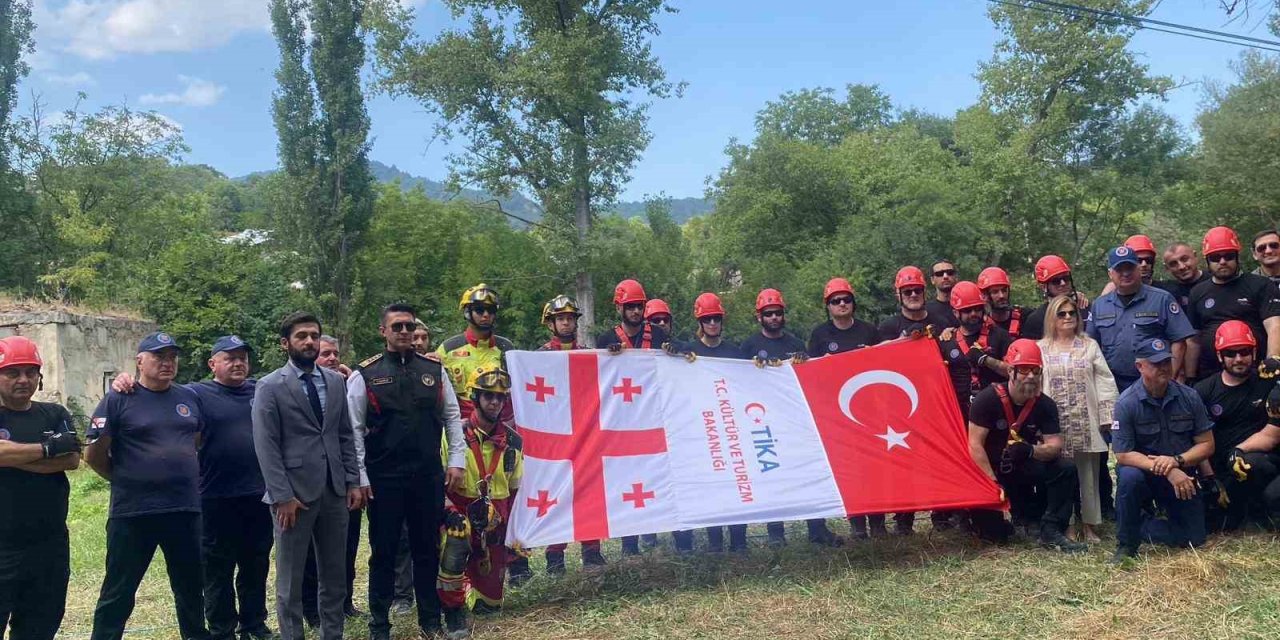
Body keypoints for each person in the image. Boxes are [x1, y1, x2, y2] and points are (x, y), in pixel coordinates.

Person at [110, 335, 276, 640]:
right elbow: (157, 392)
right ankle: (222, 629)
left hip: (257, 493)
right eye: (230, 358)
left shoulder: (261, 389)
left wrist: (339, 372)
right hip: (214, 496)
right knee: (217, 568)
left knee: (256, 563)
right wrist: (123, 379)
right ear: (213, 363)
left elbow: (291, 387)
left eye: (242, 358)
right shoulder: (195, 393)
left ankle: (254, 623)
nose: (238, 363)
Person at [348, 303, 466, 640]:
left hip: (427, 476)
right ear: (382, 331)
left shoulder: (434, 370)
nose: (404, 332)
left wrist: (456, 460)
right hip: (383, 478)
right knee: (384, 552)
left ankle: (430, 621)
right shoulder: (365, 374)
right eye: (397, 326)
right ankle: (379, 625)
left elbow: (452, 417)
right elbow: (353, 429)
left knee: (427, 549)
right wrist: (360, 477)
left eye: (409, 326)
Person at [85, 331, 211, 640]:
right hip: (133, 512)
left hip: (183, 509)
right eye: (159, 356)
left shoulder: (188, 397)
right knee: (119, 590)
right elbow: (94, 455)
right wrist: (126, 478)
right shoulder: (118, 398)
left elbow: (195, 439)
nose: (167, 363)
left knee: (191, 587)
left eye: (172, 357)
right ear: (140, 361)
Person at [252, 312, 365, 640]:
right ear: (285, 343)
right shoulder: (270, 386)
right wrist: (281, 496)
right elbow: (266, 445)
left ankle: (333, 634)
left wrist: (352, 481)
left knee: (335, 576)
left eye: (314, 335)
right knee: (290, 580)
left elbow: (344, 435)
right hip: (293, 497)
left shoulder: (335, 382)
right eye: (301, 336)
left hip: (334, 491)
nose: (309, 341)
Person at [741, 288, 840, 546]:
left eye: (777, 313)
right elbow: (737, 381)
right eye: (768, 314)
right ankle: (776, 534)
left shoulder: (795, 344)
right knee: (773, 476)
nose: (774, 317)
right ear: (759, 317)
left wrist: (804, 362)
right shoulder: (749, 346)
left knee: (807, 473)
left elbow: (809, 378)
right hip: (763, 423)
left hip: (794, 420)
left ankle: (817, 529)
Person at [966, 339, 1086, 552]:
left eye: (1035, 370)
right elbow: (975, 445)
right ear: (1010, 371)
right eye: (1023, 370)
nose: (1030, 376)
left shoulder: (1045, 404)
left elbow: (1055, 446)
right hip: (990, 470)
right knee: (994, 537)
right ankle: (1001, 521)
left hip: (1022, 464)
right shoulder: (986, 400)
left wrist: (1031, 450)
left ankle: (1051, 528)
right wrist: (993, 484)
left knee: (1065, 468)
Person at [0, 336, 81, 640]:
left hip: (49, 546)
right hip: (2, 546)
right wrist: (48, 449)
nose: (23, 379)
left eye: (30, 372)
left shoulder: (55, 414)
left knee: (39, 628)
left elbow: (72, 459)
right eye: (13, 373)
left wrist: (12, 456)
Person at [1110, 338, 1215, 563]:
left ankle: (1142, 524)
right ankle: (1126, 544)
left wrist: (1176, 461)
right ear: (1140, 367)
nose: (1164, 368)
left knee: (1194, 538)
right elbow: (1123, 454)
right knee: (1129, 476)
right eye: (1156, 363)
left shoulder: (1189, 396)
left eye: (1167, 361)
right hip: (1144, 475)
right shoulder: (1126, 403)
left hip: (1182, 474)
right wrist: (1168, 469)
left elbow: (1207, 444)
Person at [438, 367, 523, 640]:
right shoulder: (454, 434)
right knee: (456, 537)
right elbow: (435, 480)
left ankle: (474, 587)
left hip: (494, 519)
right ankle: (452, 609)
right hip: (458, 512)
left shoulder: (513, 440)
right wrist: (448, 512)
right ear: (475, 397)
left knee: (490, 606)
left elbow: (515, 490)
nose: (495, 402)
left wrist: (513, 533)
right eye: (488, 396)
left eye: (500, 397)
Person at [597, 279, 671, 555]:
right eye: (630, 306)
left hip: (654, 417)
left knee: (653, 476)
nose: (636, 311)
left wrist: (674, 352)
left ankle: (653, 532)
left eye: (639, 306)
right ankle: (629, 543)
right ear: (619, 308)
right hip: (623, 421)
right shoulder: (606, 339)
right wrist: (608, 355)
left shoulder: (659, 335)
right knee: (628, 479)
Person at [807, 278, 885, 539]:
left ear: (853, 302)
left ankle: (878, 521)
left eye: (846, 299)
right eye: (835, 301)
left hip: (868, 411)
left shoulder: (869, 331)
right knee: (851, 470)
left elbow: (886, 361)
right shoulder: (819, 335)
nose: (842, 304)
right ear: (828, 306)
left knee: (873, 468)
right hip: (836, 414)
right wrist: (823, 363)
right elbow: (809, 372)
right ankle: (857, 522)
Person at [536, 295, 608, 572]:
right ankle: (555, 556)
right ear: (550, 323)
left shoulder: (589, 354)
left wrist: (614, 357)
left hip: (585, 432)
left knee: (590, 490)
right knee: (557, 493)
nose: (566, 323)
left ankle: (592, 551)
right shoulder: (539, 357)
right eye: (561, 318)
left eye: (570, 318)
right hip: (555, 436)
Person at [1038, 296, 1118, 544]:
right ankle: (1067, 524)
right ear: (1052, 317)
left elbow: (1104, 380)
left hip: (1085, 420)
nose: (1068, 317)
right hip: (1055, 424)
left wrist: (1107, 415)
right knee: (1062, 475)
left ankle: (1089, 525)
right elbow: (1035, 384)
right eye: (1061, 313)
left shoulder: (1089, 345)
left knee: (1089, 476)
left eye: (1072, 313)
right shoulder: (1041, 348)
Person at [683, 292, 752, 551]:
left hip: (732, 428)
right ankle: (714, 542)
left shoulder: (734, 352)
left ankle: (739, 540)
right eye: (707, 319)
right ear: (699, 322)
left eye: (716, 318)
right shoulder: (689, 352)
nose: (712, 323)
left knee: (738, 483)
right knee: (713, 486)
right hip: (705, 429)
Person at [302, 334, 363, 626]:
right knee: (311, 554)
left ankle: (344, 602)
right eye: (325, 354)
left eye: (335, 353)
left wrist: (355, 479)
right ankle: (312, 610)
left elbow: (352, 436)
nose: (332, 358)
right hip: (310, 481)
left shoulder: (347, 386)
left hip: (344, 480)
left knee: (347, 547)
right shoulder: (299, 388)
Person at [1193, 320, 1275, 531]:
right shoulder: (1203, 390)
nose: (1238, 358)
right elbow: (1196, 438)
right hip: (1220, 470)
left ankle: (1260, 510)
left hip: (1260, 461)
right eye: (1230, 353)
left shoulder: (1267, 382)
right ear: (1220, 356)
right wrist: (1210, 479)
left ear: (1254, 352)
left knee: (1252, 464)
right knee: (1214, 524)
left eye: (1244, 351)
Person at [1087, 246, 1195, 392]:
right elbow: (1091, 346)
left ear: (1138, 269)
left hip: (1154, 382)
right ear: (1110, 273)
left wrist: (1168, 379)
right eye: (1119, 269)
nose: (1126, 273)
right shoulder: (1099, 305)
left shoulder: (1162, 299)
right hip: (1112, 384)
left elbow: (1179, 342)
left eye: (1130, 268)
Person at [1187, 226, 1280, 383]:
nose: (1222, 262)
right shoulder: (1197, 292)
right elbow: (1193, 340)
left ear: (1237, 256)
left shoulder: (1260, 285)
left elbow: (1274, 325)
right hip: (1211, 376)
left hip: (1255, 374)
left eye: (1228, 256)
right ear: (1207, 260)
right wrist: (1189, 377)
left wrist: (1273, 361)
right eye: (1215, 258)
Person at [438, 284, 516, 421]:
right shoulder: (448, 349)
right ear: (467, 312)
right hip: (461, 424)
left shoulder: (506, 347)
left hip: (498, 423)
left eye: (491, 310)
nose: (486, 315)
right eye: (480, 310)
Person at [1023, 255, 1088, 341]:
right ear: (1043, 287)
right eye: (1056, 281)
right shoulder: (1036, 319)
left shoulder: (1085, 308)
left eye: (1066, 278)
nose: (1063, 283)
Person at [978, 267, 1034, 339]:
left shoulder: (1026, 316)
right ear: (985, 296)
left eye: (1004, 290)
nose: (1001, 296)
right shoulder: (981, 326)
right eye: (995, 292)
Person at [1153, 242, 1209, 312]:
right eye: (1173, 264)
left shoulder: (1215, 280)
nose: (1181, 267)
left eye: (1185, 259)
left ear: (1195, 256)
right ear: (1167, 268)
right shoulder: (1166, 291)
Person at [925, 260, 960, 327]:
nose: (945, 276)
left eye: (950, 272)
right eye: (939, 274)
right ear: (932, 280)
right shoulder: (925, 311)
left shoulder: (967, 307)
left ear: (956, 277)